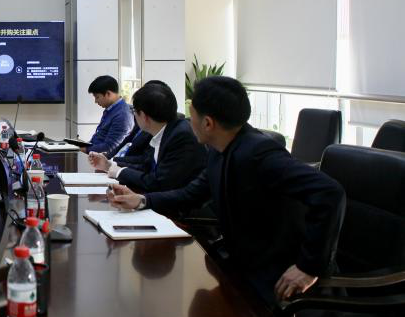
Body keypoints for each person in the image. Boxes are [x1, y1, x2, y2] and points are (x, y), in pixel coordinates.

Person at [108, 76, 345, 303]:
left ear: (208, 123)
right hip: (242, 261)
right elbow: (191, 194)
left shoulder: (260, 153)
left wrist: (308, 267)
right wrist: (142, 200)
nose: (188, 122)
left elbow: (330, 192)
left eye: (192, 116)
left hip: (275, 276)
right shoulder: (219, 148)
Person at [88, 82, 205, 194]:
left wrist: (119, 172)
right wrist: (109, 165)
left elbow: (159, 183)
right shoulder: (164, 131)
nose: (133, 115)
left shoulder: (180, 136)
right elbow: (146, 164)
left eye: (134, 111)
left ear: (144, 116)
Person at [85, 75, 133, 157]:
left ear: (108, 94)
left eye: (97, 97)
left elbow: (110, 147)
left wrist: (85, 149)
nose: (96, 101)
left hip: (104, 159)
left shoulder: (122, 115)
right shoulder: (111, 109)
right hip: (95, 154)